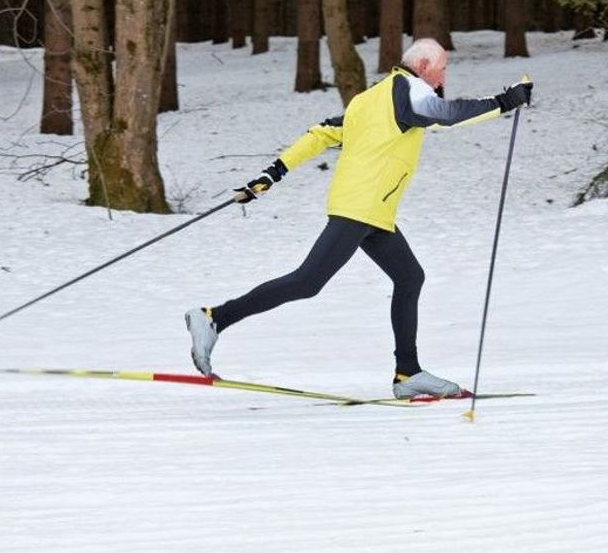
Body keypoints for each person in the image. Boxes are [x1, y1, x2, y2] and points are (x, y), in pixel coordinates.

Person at [185, 38, 533, 398]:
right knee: (307, 282)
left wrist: (273, 173)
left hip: (373, 211)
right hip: (360, 208)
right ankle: (213, 318)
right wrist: (506, 101)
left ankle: (408, 373)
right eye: (443, 68)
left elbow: (322, 132)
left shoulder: (371, 100)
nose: (444, 76)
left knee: (410, 277)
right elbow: (447, 114)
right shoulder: (410, 91)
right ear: (425, 65)